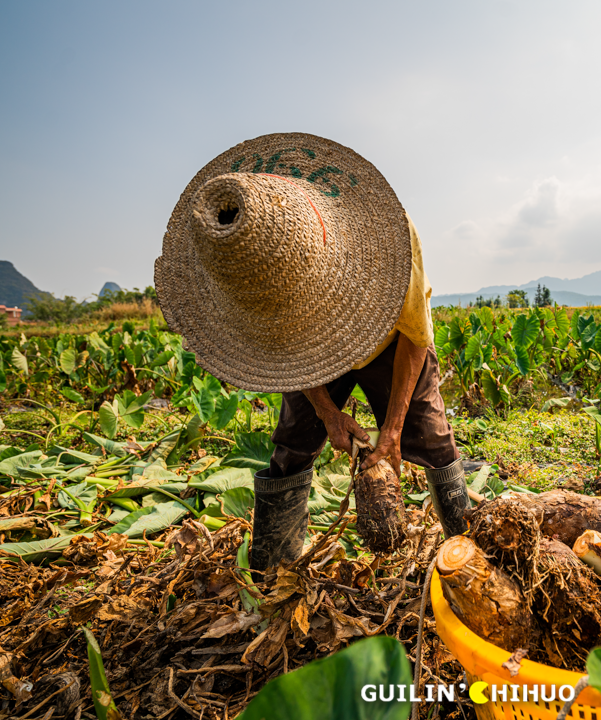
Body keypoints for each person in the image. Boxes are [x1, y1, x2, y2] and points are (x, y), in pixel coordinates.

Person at [155, 132, 471, 572]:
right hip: (306, 342)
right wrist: (324, 410)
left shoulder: (390, 242)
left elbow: (415, 338)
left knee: (432, 440)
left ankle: (474, 553)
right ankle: (273, 568)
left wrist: (394, 429)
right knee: (293, 445)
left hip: (391, 344)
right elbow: (284, 352)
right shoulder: (248, 277)